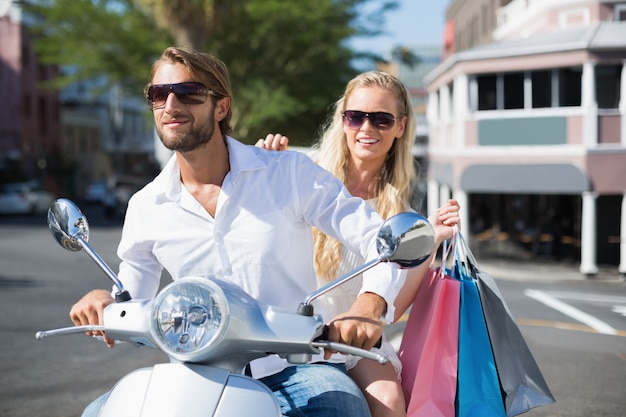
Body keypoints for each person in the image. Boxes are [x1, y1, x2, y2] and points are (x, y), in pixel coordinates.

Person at [69, 47, 415, 417]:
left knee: (339, 405)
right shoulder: (146, 204)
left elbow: (383, 239)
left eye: (188, 92)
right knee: (98, 413)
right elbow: (131, 296)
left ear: (221, 107)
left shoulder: (289, 173)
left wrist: (369, 304)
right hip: (197, 374)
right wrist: (103, 303)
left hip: (295, 369)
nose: (171, 105)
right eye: (158, 94)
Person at [257, 70, 460, 417]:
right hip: (292, 330)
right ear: (343, 120)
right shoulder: (302, 177)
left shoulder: (401, 214)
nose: (366, 128)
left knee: (390, 403)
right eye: (356, 117)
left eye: (381, 120)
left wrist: (432, 240)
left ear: (400, 127)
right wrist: (265, 170)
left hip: (357, 340)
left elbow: (392, 310)